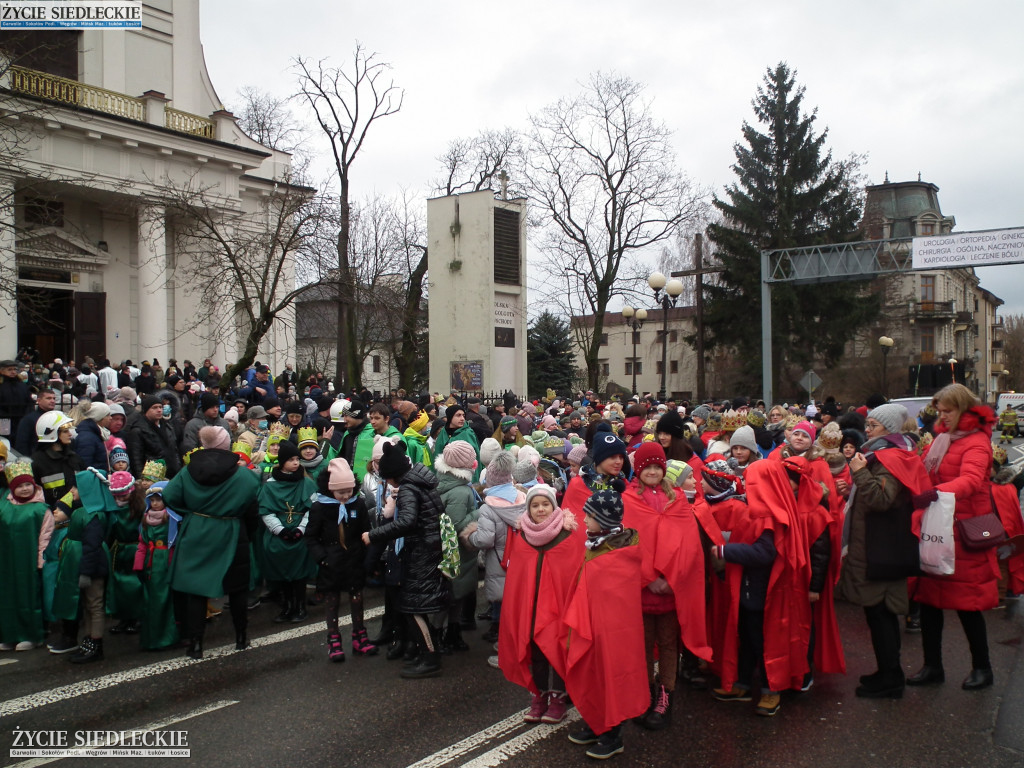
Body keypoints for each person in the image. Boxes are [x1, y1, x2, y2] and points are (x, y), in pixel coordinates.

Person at [908, 383, 1000, 691]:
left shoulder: (976, 442)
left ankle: (982, 668)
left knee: (968, 604)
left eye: (947, 410)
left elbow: (972, 481)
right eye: (939, 411)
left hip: (964, 530)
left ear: (962, 408)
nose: (942, 416)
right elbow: (926, 472)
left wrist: (934, 494)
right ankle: (932, 666)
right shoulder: (942, 439)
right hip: (939, 527)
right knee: (930, 601)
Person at [839, 403, 931, 698]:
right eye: (868, 424)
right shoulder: (884, 453)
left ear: (888, 429)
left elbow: (883, 498)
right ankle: (887, 671)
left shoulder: (888, 456)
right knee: (879, 614)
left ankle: (891, 678)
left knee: (881, 615)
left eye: (874, 425)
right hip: (881, 545)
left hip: (881, 549)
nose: (867, 430)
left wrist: (860, 474)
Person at [622, 441, 710, 730]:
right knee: (644, 646)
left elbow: (689, 547)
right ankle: (646, 693)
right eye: (646, 466)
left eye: (657, 466)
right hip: (641, 590)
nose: (652, 471)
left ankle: (665, 695)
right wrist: (649, 578)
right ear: (638, 470)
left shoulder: (678, 501)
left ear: (664, 469)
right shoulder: (629, 500)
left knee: (670, 645)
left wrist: (672, 579)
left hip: (671, 590)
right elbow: (628, 544)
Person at [564, 485, 648, 760]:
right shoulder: (596, 543)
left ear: (604, 520)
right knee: (594, 672)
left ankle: (613, 734)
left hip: (614, 630)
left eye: (589, 516)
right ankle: (598, 720)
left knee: (613, 674)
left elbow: (613, 592)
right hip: (594, 624)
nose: (584, 520)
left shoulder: (617, 553)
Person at [162, 426, 262, 659]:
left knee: (197, 590)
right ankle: (241, 638)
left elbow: (169, 496)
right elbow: (252, 505)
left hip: (197, 531)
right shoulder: (243, 475)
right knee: (237, 590)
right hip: (232, 531)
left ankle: (195, 645)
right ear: (227, 444)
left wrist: (192, 512)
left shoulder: (188, 471)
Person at [363, 441, 451, 679]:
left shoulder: (409, 489)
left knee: (413, 608)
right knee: (418, 606)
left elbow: (407, 521)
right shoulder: (423, 482)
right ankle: (426, 653)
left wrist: (373, 534)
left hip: (421, 551)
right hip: (431, 548)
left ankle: (430, 657)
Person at [499, 483, 583, 724]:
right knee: (536, 653)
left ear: (554, 506)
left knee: (556, 650)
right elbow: (518, 577)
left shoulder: (567, 535)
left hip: (558, 610)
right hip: (531, 608)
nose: (541, 509)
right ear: (528, 509)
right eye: (535, 505)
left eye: (546, 504)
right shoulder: (522, 536)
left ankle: (558, 699)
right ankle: (538, 696)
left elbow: (572, 575)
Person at [305, 458, 376, 661]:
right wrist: (322, 558)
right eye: (341, 492)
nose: (346, 496)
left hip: (354, 560)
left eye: (349, 491)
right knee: (332, 600)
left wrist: (365, 555)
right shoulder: (320, 507)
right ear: (330, 490)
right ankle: (333, 639)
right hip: (331, 562)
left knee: (357, 598)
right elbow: (311, 537)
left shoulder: (358, 504)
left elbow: (365, 531)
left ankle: (359, 635)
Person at [465, 451, 524, 647]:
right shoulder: (523, 499)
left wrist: (469, 535)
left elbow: (485, 539)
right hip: (522, 558)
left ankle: (502, 640)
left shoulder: (488, 508)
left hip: (499, 560)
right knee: (518, 600)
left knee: (501, 597)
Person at [258, 439, 318, 624]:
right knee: (281, 571)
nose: (296, 463)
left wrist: (300, 529)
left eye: (297, 459)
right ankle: (286, 606)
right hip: (279, 534)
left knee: (298, 574)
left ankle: (299, 606)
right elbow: (266, 510)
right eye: (291, 459)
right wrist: (280, 530)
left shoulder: (306, 483)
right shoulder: (270, 485)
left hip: (300, 534)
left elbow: (312, 508)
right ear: (282, 461)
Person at [433, 441, 480, 654]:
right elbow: (458, 523)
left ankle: (449, 633)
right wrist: (481, 513)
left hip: (446, 550)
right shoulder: (461, 491)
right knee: (453, 596)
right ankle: (441, 635)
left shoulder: (443, 482)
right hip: (458, 552)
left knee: (452, 595)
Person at [0, 461, 52, 651]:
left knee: (28, 597)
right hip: (6, 562)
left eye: (27, 485)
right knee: (6, 598)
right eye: (19, 486)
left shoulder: (41, 509)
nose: (24, 489)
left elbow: (45, 537)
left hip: (28, 562)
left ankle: (31, 635)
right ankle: (9, 634)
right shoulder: (3, 506)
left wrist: (41, 561)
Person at [132, 482, 180, 651]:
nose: (155, 504)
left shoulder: (172, 519)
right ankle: (152, 638)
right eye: (152, 500)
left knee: (166, 600)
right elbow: (142, 543)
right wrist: (139, 565)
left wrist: (172, 563)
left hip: (165, 562)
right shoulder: (146, 519)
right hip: (151, 566)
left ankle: (168, 637)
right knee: (151, 602)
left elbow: (175, 543)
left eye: (158, 500)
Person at [124, 395, 181, 480]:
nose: (159, 410)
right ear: (146, 410)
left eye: (160, 407)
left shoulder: (167, 427)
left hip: (172, 474)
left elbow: (174, 450)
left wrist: (178, 467)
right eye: (154, 408)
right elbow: (136, 459)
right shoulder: (138, 430)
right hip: (152, 477)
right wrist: (142, 479)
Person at [14, 388, 57, 456]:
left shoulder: (56, 417)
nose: (52, 401)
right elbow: (22, 443)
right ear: (39, 401)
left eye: (54, 398)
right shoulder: (29, 419)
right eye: (48, 398)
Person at [0, 359, 32, 444]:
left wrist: (26, 416)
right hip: (4, 420)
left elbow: (29, 402)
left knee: (21, 440)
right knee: (5, 441)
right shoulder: (1, 386)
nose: (13, 372)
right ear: (2, 371)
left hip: (21, 419)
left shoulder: (22, 385)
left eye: (15, 369)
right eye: (9, 370)